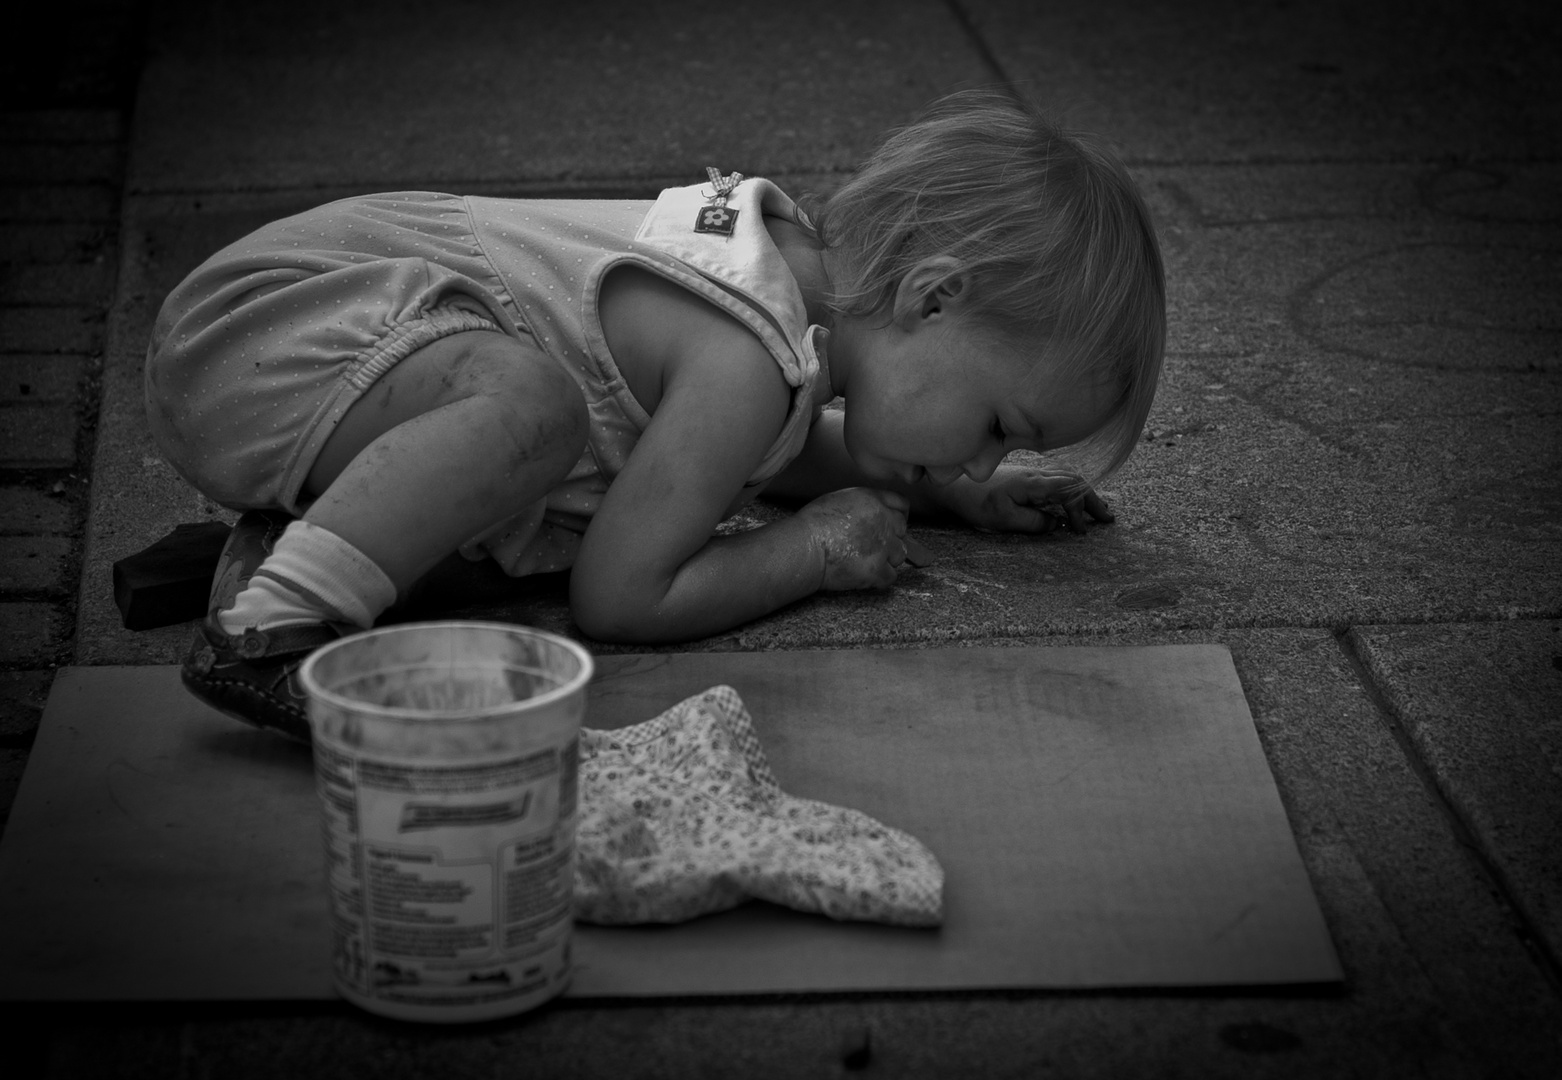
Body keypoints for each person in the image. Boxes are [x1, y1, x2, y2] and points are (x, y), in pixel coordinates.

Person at [145, 89, 1165, 741]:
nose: (983, 461)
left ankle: (311, 539)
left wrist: (953, 501)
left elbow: (751, 457)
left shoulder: (786, 287)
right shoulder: (749, 357)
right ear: (931, 297)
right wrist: (809, 553)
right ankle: (268, 632)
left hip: (283, 346)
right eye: (996, 427)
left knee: (521, 417)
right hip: (273, 329)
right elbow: (622, 598)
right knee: (531, 410)